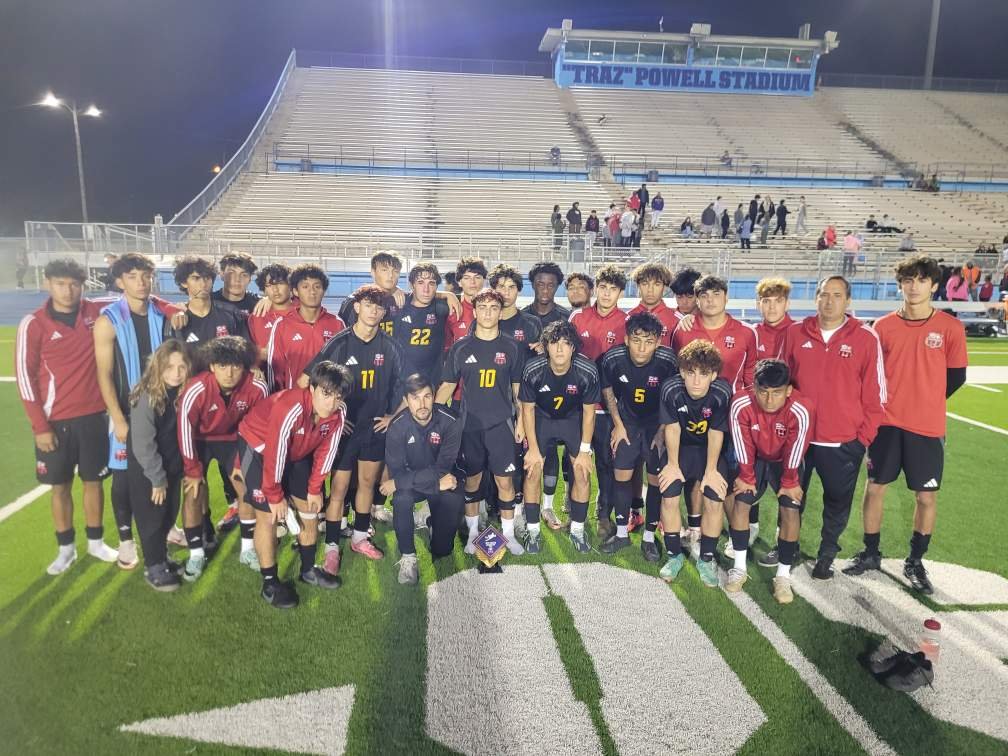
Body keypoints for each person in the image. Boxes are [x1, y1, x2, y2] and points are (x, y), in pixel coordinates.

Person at [844, 256, 966, 594]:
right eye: (908, 280)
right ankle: (870, 553)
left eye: (921, 280)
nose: (914, 286)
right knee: (875, 487)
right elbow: (869, 376)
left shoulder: (950, 328)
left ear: (934, 286)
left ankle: (915, 560)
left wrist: (925, 399)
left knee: (926, 495)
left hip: (926, 426)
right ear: (900, 284)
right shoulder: (882, 327)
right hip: (886, 424)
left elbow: (956, 377)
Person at [776, 275, 886, 579]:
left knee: (837, 502)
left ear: (847, 300)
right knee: (791, 497)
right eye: (824, 294)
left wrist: (862, 438)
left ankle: (826, 553)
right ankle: (789, 546)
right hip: (799, 438)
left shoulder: (865, 338)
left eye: (836, 295)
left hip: (842, 442)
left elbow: (877, 394)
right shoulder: (795, 332)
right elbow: (780, 381)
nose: (829, 300)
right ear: (816, 298)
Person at [17, 258, 118, 575]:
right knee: (59, 486)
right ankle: (66, 549)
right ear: (48, 283)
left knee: (94, 483)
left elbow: (138, 298)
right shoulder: (33, 324)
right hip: (55, 423)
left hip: (94, 418)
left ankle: (96, 541)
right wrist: (39, 427)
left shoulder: (96, 311)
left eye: (74, 283)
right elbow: (25, 378)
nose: (68, 290)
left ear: (83, 286)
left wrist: (175, 310)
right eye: (61, 283)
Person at [236, 360, 351, 608]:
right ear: (312, 388)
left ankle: (308, 570)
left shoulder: (337, 414)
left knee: (311, 509)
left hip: (294, 453)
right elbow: (275, 450)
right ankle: (269, 583)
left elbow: (327, 452)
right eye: (326, 394)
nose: (330, 403)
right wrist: (275, 495)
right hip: (257, 446)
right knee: (267, 515)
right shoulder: (291, 407)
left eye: (337, 397)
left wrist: (314, 488)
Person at [307, 285, 406, 570]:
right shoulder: (338, 344)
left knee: (365, 484)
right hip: (344, 429)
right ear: (357, 307)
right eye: (368, 304)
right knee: (338, 488)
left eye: (379, 306)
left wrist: (391, 417)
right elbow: (316, 383)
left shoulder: (390, 346)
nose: (373, 310)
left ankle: (360, 537)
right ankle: (332, 547)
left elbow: (404, 385)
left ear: (384, 311)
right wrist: (333, 413)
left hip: (375, 429)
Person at [93, 253, 176, 570]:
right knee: (124, 478)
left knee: (162, 471)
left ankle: (164, 531)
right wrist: (116, 418)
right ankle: (127, 541)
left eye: (145, 275)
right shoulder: (109, 320)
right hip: (127, 414)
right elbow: (103, 374)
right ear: (119, 282)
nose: (140, 282)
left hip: (159, 410)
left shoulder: (160, 313)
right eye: (132, 276)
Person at [436, 290, 526, 555]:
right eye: (482, 307)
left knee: (505, 483)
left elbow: (517, 391)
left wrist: (521, 421)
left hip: (502, 425)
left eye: (493, 307)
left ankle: (508, 536)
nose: (488, 312)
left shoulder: (512, 347)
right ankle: (473, 534)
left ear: (500, 311)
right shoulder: (460, 347)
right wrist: (433, 424)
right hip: (469, 427)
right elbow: (446, 388)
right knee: (472, 482)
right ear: (474, 312)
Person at [177, 336, 267, 581]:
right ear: (212, 366)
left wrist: (241, 464)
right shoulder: (196, 388)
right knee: (193, 491)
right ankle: (196, 553)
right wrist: (193, 471)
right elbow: (185, 429)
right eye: (223, 366)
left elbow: (258, 427)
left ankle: (247, 550)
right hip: (200, 440)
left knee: (246, 486)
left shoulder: (256, 387)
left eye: (236, 366)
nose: (229, 373)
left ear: (245, 366)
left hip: (235, 439)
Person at [730, 359, 814, 602]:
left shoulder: (801, 408)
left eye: (777, 392)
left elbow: (796, 448)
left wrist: (789, 481)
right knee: (741, 502)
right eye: (763, 391)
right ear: (753, 387)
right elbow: (741, 441)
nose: (769, 399)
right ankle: (739, 568)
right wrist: (746, 476)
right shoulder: (741, 402)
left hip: (785, 461)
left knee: (790, 509)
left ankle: (783, 576)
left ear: (788, 390)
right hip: (753, 457)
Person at [599, 312, 679, 557]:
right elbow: (607, 389)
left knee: (655, 480)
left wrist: (663, 430)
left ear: (658, 342)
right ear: (626, 339)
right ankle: (622, 534)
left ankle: (648, 537)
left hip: (656, 424)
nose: (642, 347)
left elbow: (674, 396)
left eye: (648, 341)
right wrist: (618, 424)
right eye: (636, 340)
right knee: (621, 476)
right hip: (628, 423)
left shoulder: (668, 361)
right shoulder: (612, 358)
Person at [656, 340, 733, 587]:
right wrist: (673, 464)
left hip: (707, 450)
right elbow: (673, 428)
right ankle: (674, 556)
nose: (696, 381)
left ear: (714, 374)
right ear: (681, 372)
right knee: (668, 495)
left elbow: (716, 432)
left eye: (703, 374)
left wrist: (711, 470)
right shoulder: (671, 389)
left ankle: (706, 558)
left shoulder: (721, 392)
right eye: (690, 373)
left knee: (714, 496)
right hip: (680, 449)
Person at [519, 320, 599, 553]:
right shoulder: (533, 369)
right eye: (555, 344)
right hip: (543, 418)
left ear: (574, 347)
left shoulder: (587, 370)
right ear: (545, 347)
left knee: (582, 473)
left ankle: (577, 530)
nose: (561, 349)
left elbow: (589, 413)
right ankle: (533, 531)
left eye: (566, 343)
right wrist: (533, 449)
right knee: (533, 469)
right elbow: (528, 409)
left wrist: (584, 451)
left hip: (572, 419)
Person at [382, 375, 464, 584]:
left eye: (427, 396)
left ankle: (429, 521)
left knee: (443, 550)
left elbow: (442, 468)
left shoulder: (451, 421)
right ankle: (408, 557)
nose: (422, 404)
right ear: (407, 400)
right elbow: (397, 472)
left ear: (434, 396)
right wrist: (406, 483)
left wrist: (401, 483)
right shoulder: (397, 427)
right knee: (401, 499)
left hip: (441, 480)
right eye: (416, 398)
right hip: (416, 484)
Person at [569, 265, 627, 541]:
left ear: (620, 292)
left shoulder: (627, 321)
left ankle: (603, 512)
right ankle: (573, 506)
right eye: (602, 287)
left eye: (612, 289)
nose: (606, 293)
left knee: (606, 462)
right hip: (578, 403)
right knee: (575, 457)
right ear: (595, 290)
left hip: (608, 406)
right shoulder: (579, 316)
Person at [127, 340, 191, 591]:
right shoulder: (147, 396)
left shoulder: (183, 393)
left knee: (167, 514)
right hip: (149, 472)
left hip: (172, 468)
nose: (176, 373)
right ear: (158, 367)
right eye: (169, 367)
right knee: (151, 518)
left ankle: (162, 558)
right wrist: (157, 478)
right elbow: (143, 444)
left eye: (181, 367)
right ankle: (153, 566)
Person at [672, 275, 760, 393]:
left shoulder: (747, 332)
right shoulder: (683, 329)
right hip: (692, 405)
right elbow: (676, 370)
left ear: (726, 298)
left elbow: (750, 375)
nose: (710, 300)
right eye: (704, 295)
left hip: (731, 404)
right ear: (697, 301)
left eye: (716, 294)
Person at [266, 264, 345, 391]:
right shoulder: (282, 325)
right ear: (295, 291)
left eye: (317, 286)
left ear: (324, 290)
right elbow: (274, 370)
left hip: (327, 401)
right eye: (305, 287)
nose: (312, 291)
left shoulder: (337, 323)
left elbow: (343, 366)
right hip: (294, 402)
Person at [390, 262, 452, 388]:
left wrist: (450, 295)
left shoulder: (442, 307)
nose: (426, 289)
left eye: (431, 283)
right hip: (400, 384)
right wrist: (392, 289)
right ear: (412, 285)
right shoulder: (398, 305)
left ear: (436, 287)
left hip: (431, 384)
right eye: (420, 283)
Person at [170, 256, 249, 352]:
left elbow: (245, 351)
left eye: (207, 278)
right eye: (196, 278)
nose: (203, 284)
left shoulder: (232, 314)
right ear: (184, 282)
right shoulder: (178, 320)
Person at [491, 264, 542, 354]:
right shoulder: (482, 322)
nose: (506, 293)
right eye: (502, 287)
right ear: (493, 290)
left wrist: (543, 351)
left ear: (519, 290)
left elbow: (542, 355)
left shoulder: (532, 323)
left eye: (511, 287)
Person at [247, 263, 295, 359]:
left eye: (280, 283)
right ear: (264, 290)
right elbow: (249, 352)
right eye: (269, 285)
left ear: (290, 286)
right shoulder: (256, 318)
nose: (275, 290)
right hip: (267, 372)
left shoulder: (303, 311)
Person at [627, 263, 678, 346]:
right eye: (645, 284)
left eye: (657, 284)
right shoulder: (627, 318)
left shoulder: (676, 319)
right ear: (638, 286)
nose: (650, 290)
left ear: (664, 287)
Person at [524, 262, 570, 329]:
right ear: (532, 285)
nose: (545, 290)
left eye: (551, 286)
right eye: (541, 285)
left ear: (557, 287)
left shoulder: (567, 318)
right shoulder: (521, 317)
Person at [213, 252, 260, 317]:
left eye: (244, 275)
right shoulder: (209, 302)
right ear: (222, 274)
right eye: (231, 273)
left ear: (250, 278)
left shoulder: (259, 304)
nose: (237, 279)